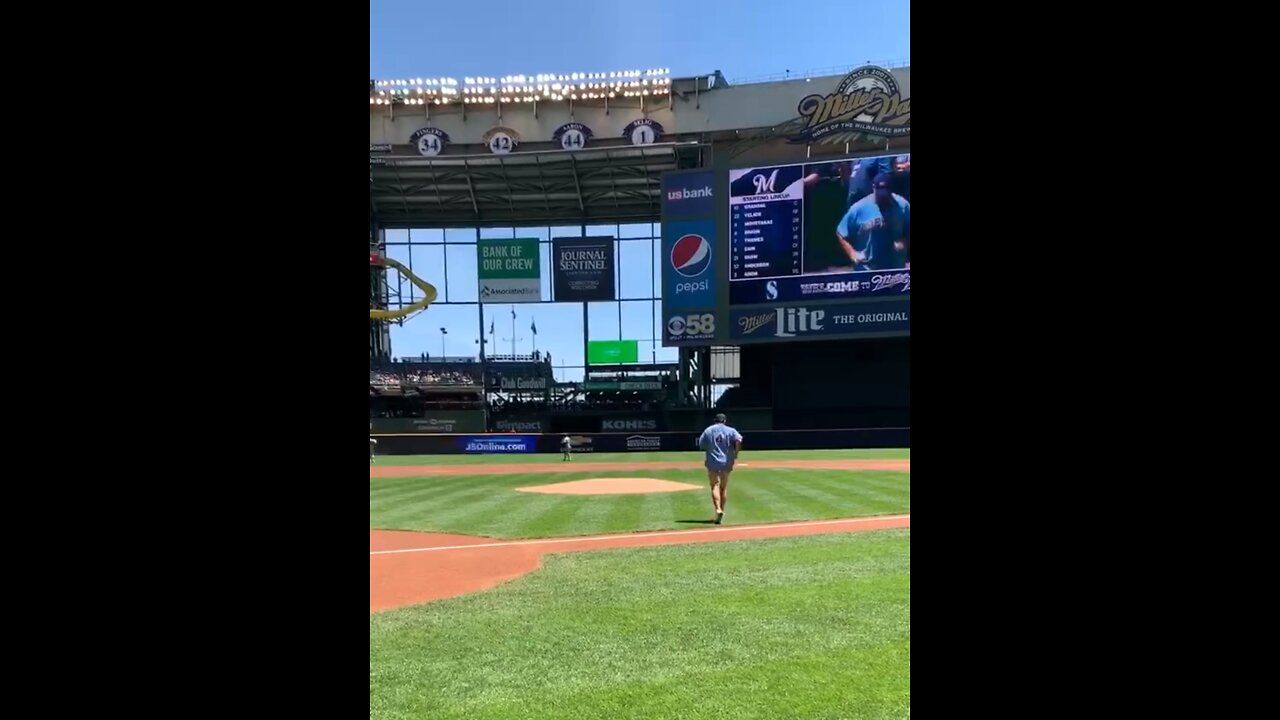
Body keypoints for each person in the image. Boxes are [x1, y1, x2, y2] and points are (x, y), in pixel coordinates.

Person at [835, 174, 910, 271]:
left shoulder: (902, 206)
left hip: (895, 270)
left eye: (885, 194)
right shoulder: (859, 208)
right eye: (879, 194)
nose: (882, 198)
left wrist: (905, 241)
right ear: (873, 188)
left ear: (891, 189)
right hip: (867, 269)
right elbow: (841, 232)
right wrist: (852, 253)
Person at [697, 413, 743, 524]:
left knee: (714, 485)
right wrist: (736, 453)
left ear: (715, 420)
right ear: (725, 420)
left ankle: (718, 510)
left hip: (712, 461)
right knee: (723, 487)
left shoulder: (708, 430)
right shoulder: (731, 430)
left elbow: (701, 445)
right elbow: (739, 440)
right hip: (726, 461)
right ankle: (722, 510)